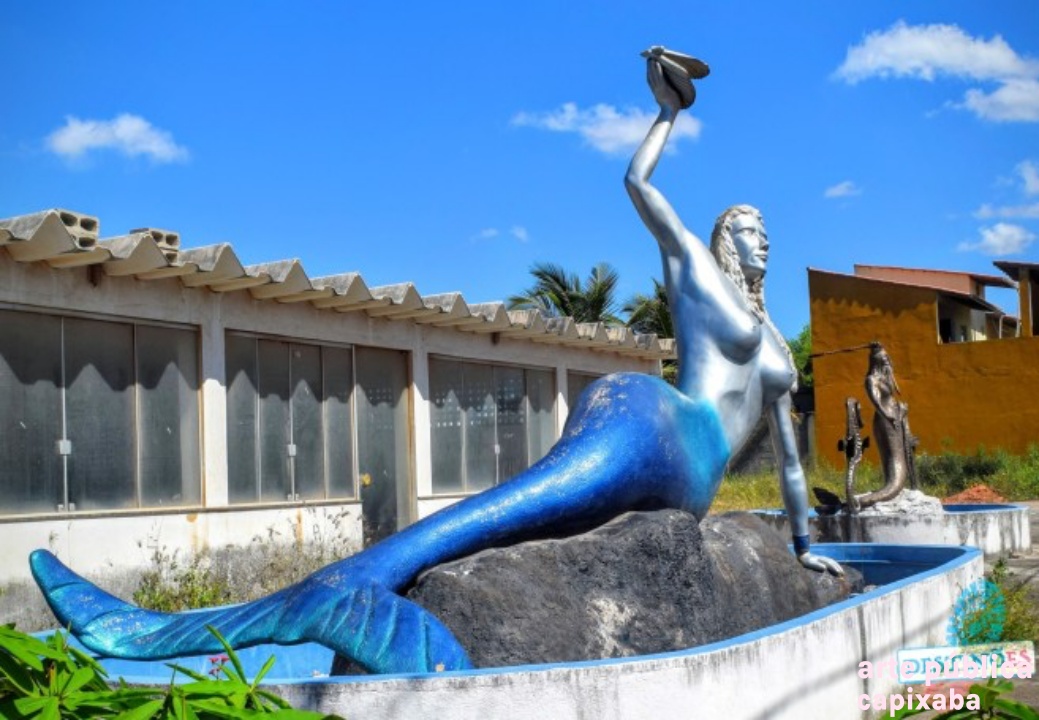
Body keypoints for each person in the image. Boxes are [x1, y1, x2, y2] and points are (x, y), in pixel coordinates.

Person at [30, 50, 840, 677]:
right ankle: (332, 594)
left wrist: (805, 545)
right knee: (513, 506)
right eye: (743, 227)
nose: (757, 238)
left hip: (690, 483)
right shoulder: (699, 281)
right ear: (719, 240)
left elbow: (791, 460)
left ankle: (339, 597)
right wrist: (665, 114)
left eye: (766, 230)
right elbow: (637, 183)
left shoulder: (774, 347)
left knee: (525, 515)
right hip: (659, 422)